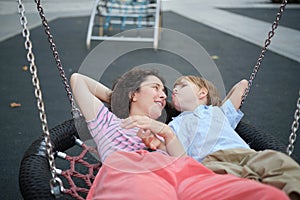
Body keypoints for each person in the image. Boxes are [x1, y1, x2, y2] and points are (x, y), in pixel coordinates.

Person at [70, 68, 289, 200]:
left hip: (181, 174)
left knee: (267, 195)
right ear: (133, 93)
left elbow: (184, 163)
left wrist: (164, 132)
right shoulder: (109, 123)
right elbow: (78, 80)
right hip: (132, 169)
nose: (162, 95)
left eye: (163, 93)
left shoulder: (170, 130)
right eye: (155, 88)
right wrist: (119, 97)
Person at [130, 75, 300, 199]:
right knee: (238, 186)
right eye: (175, 87)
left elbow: (242, 85)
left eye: (182, 85)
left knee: (280, 163)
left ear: (202, 93)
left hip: (247, 154)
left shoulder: (219, 112)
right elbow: (170, 151)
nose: (174, 89)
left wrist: (216, 103)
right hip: (212, 162)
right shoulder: (174, 125)